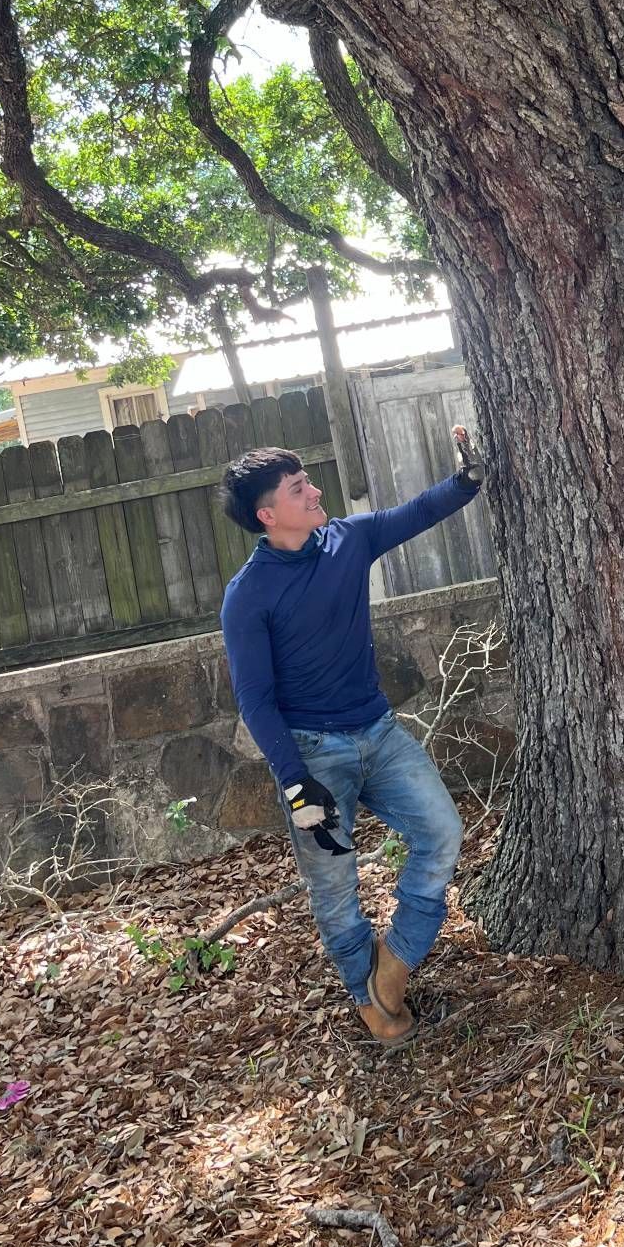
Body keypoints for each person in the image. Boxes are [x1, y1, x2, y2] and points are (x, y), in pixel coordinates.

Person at [218, 427, 485, 1044]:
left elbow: (417, 513)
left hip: (380, 733)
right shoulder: (248, 595)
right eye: (298, 488)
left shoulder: (349, 539)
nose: (314, 491)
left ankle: (390, 968)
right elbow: (254, 699)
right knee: (334, 887)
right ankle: (368, 998)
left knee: (442, 832)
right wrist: (295, 780)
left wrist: (467, 481)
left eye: (307, 479)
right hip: (314, 755)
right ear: (268, 514)